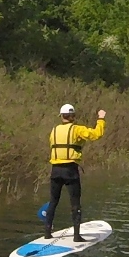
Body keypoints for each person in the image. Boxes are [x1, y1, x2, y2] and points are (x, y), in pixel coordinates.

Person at [46, 103, 106, 241]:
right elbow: (96, 134)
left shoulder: (54, 130)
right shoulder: (77, 129)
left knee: (53, 201)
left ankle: (47, 233)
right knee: (75, 202)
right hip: (70, 170)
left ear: (61, 116)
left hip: (55, 170)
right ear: (73, 116)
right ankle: (77, 236)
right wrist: (101, 119)